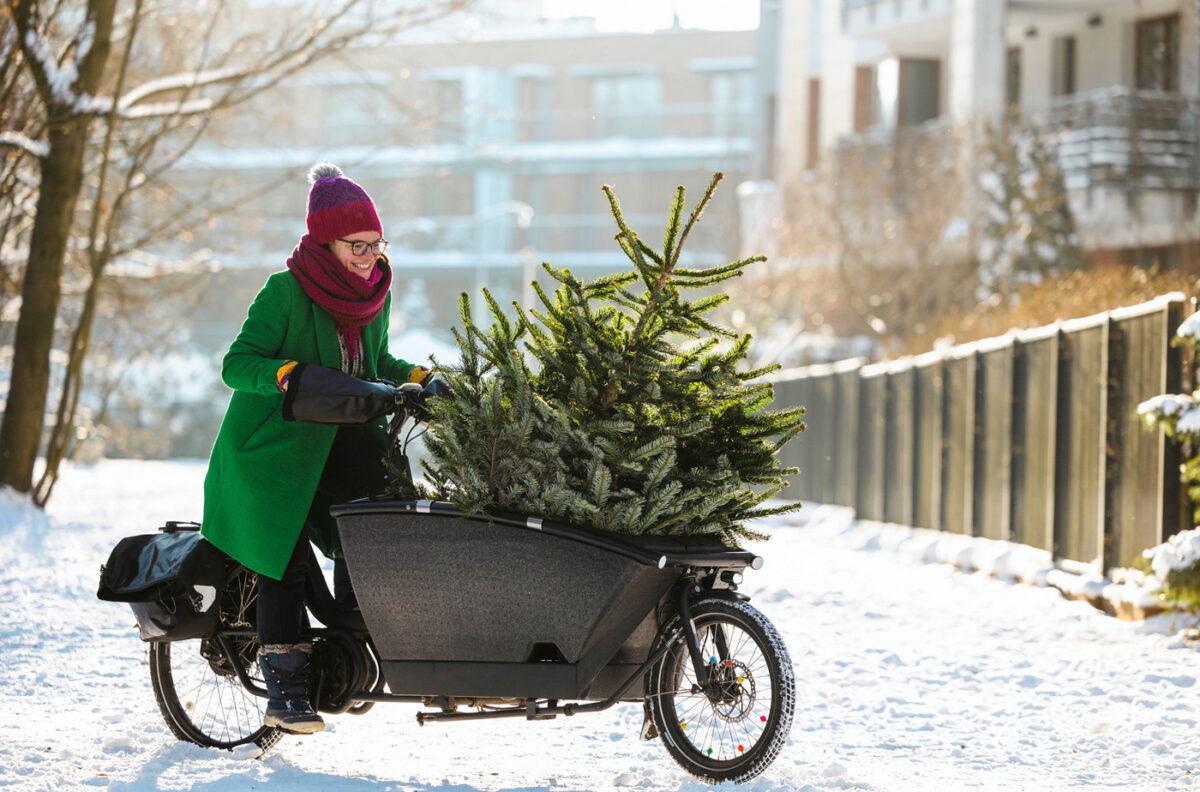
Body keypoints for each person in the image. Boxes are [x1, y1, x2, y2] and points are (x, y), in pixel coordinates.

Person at [201, 163, 428, 734]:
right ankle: (286, 690)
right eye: (357, 245)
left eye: (377, 244)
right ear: (326, 242)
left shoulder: (373, 293)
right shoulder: (286, 291)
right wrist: (287, 374)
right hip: (272, 453)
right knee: (286, 558)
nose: (369, 256)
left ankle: (356, 635)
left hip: (337, 443)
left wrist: (421, 376)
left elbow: (374, 366)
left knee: (377, 518)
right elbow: (236, 364)